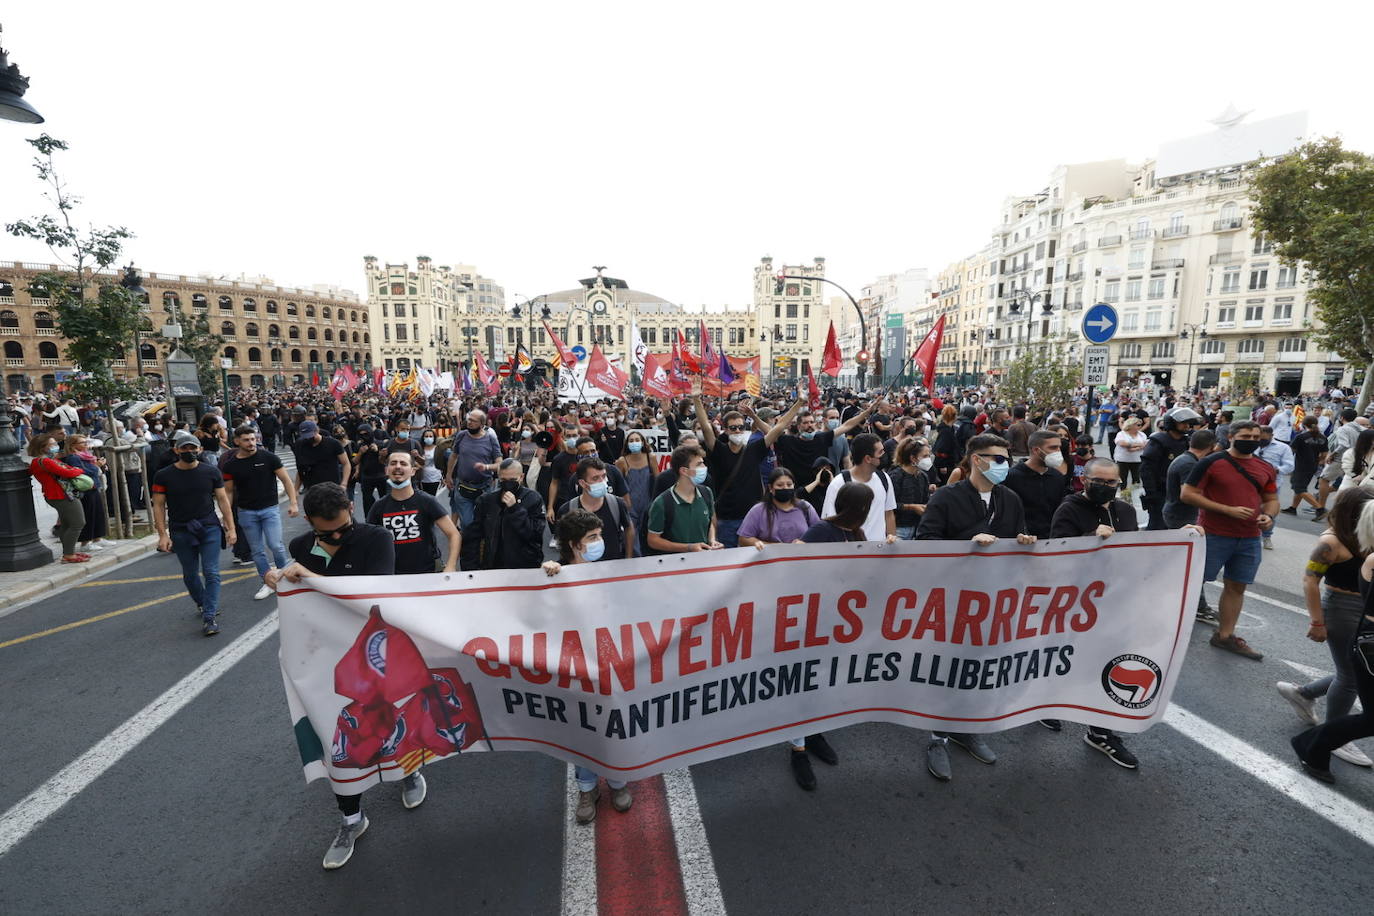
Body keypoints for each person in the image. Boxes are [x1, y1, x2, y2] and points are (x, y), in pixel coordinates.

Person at [264, 482, 422, 869]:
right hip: (326, 660)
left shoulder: (377, 538)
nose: (334, 536)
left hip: (376, 652)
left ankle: (409, 771)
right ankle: (351, 818)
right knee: (335, 733)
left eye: (340, 528)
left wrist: (315, 580)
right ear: (309, 522)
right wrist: (280, 580)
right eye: (324, 532)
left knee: (393, 719)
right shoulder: (302, 548)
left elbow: (375, 590)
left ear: (351, 508)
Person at [917, 433, 1036, 780]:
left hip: (993, 600)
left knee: (977, 667)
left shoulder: (1010, 498)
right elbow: (926, 544)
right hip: (953, 599)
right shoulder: (946, 498)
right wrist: (967, 544)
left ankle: (964, 727)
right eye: (997, 459)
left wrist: (1024, 542)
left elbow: (1017, 536)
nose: (1005, 465)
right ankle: (937, 736)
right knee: (946, 668)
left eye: (1007, 458)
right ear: (975, 459)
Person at [1046, 457, 1148, 768]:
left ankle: (1101, 731)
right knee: (1066, 656)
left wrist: (1183, 536)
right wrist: (1091, 538)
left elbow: (1141, 547)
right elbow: (1058, 551)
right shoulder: (1070, 508)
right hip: (1078, 601)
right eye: (1098, 481)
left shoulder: (1126, 511)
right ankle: (1043, 703)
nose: (1105, 487)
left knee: (1108, 664)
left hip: (1116, 600)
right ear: (1084, 480)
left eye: (1111, 482)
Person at [541, 508, 637, 821]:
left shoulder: (609, 572)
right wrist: (549, 573)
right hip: (576, 667)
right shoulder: (555, 573)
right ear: (573, 545)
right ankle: (586, 787)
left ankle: (618, 781)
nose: (599, 542)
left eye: (599, 536)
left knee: (615, 722)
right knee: (583, 728)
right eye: (592, 538)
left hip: (609, 664)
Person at [783, 481, 874, 790]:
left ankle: (814, 732)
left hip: (838, 624)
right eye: (865, 507)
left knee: (824, 682)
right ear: (855, 508)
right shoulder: (822, 531)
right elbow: (794, 565)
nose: (868, 512)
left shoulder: (857, 534)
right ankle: (798, 749)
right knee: (803, 683)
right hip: (812, 622)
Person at [1278, 487, 1374, 769]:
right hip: (1342, 609)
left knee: (1352, 670)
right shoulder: (1331, 542)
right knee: (1350, 675)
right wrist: (1317, 622)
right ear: (1355, 511)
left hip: (1364, 610)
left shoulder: (1364, 535)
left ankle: (1304, 693)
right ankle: (1336, 735)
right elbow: (1310, 581)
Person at [1181, 420, 1278, 660]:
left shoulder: (1264, 466)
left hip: (1249, 538)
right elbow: (1187, 494)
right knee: (1191, 584)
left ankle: (1225, 636)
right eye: (1247, 436)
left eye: (1257, 437)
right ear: (1231, 436)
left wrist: (1268, 516)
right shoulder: (1211, 462)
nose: (1253, 441)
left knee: (1237, 587)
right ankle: (1167, 631)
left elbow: (1271, 499)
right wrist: (1227, 510)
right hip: (1213, 534)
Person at [151, 430, 238, 637]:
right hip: (181, 530)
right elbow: (158, 505)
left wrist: (231, 527)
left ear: (200, 449)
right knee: (190, 574)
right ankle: (202, 602)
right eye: (184, 448)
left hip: (208, 527)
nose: (189, 451)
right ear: (176, 450)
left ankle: (209, 617)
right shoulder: (163, 475)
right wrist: (163, 534)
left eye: (193, 447)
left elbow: (223, 500)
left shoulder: (211, 471)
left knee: (211, 571)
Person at [695, 395, 792, 548]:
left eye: (741, 427)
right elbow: (706, 427)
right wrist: (696, 398)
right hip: (726, 521)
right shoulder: (719, 450)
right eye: (733, 428)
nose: (738, 430)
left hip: (754, 518)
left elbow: (778, 429)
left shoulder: (754, 449)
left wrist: (799, 403)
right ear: (725, 430)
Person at [221, 425, 299, 600]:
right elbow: (228, 492)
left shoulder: (269, 457)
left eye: (253, 438)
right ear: (237, 442)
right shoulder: (230, 465)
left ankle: (285, 579)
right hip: (246, 512)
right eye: (247, 440)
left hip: (270, 509)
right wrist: (227, 519)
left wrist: (293, 502)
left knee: (276, 545)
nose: (252, 443)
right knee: (257, 551)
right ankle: (268, 581)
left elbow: (286, 480)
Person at [366, 450, 460, 574]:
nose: (398, 466)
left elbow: (454, 534)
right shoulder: (378, 507)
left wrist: (451, 566)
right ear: (386, 470)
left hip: (427, 572)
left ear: (413, 471)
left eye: (403, 463)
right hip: (392, 575)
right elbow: (368, 542)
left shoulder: (427, 501)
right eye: (393, 463)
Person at [470, 459, 546, 570]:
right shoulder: (486, 500)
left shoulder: (533, 499)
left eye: (512, 480)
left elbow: (535, 534)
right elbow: (474, 536)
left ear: (521, 477)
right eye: (503, 480)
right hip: (493, 564)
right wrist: (471, 566)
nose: (508, 483)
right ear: (499, 478)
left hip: (525, 564)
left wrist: (515, 509)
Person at [821, 433, 897, 543]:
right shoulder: (839, 483)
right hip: (851, 551)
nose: (884, 455)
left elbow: (889, 514)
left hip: (879, 550)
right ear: (868, 458)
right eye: (880, 452)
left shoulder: (884, 478)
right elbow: (830, 521)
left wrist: (891, 538)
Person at [27, 432, 89, 563]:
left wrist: (74, 469)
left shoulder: (41, 461)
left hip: (56, 495)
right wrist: (80, 470)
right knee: (78, 523)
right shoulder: (45, 461)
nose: (56, 445)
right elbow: (68, 471)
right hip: (61, 495)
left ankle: (68, 552)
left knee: (67, 524)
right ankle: (68, 554)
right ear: (43, 447)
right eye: (53, 444)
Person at [646, 444, 722, 553]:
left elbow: (709, 524)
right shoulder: (662, 503)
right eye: (699, 464)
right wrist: (688, 548)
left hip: (704, 562)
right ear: (684, 471)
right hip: (677, 566)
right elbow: (653, 540)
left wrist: (712, 540)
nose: (704, 467)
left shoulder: (706, 493)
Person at [557, 456, 634, 560]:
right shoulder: (568, 510)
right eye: (595, 478)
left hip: (614, 565)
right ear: (583, 483)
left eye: (603, 476)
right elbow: (563, 544)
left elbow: (629, 528)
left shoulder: (617, 504)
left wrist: (628, 557)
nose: (602, 482)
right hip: (581, 569)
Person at [1139, 407, 1202, 530]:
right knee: (1158, 527)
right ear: (1172, 423)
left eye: (1188, 423)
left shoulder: (1187, 441)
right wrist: (1152, 494)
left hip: (1180, 492)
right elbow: (1147, 469)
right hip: (1161, 492)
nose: (1187, 425)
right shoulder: (1158, 441)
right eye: (1182, 422)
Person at [1004, 429, 1071, 539]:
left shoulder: (1057, 476)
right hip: (1021, 541)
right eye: (1053, 448)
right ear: (1036, 450)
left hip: (1051, 540)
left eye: (1059, 447)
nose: (1058, 451)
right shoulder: (1011, 477)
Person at [445, 410, 503, 532]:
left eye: (473, 421)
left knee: (483, 521)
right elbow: (454, 456)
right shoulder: (461, 435)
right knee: (467, 523)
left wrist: (486, 467)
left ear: (482, 424)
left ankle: (479, 547)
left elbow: (500, 463)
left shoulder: (491, 439)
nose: (469, 423)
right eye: (469, 419)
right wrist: (449, 475)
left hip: (484, 488)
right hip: (462, 486)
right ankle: (468, 548)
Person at [739, 468, 820, 547]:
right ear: (771, 488)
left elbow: (819, 534)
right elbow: (743, 538)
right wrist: (770, 546)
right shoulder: (758, 510)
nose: (785, 488)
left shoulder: (805, 508)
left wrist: (804, 543)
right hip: (770, 559)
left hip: (801, 557)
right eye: (780, 485)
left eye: (789, 484)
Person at [63, 434, 110, 554]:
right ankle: (85, 543)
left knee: (98, 513)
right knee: (89, 515)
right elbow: (81, 472)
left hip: (94, 486)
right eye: (82, 443)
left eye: (86, 442)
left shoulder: (86, 456)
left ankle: (97, 538)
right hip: (85, 489)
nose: (86, 445)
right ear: (73, 445)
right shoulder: (73, 457)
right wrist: (96, 466)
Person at [615, 429, 656, 554]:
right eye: (631, 440)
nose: (634, 442)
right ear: (627, 444)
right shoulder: (622, 461)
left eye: (637, 440)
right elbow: (618, 485)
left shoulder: (651, 457)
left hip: (647, 502)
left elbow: (658, 479)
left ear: (643, 442)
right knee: (631, 535)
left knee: (647, 533)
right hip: (630, 504)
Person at [1282, 416, 1329, 520]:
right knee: (1301, 487)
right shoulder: (1323, 437)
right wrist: (1318, 461)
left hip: (1301, 465)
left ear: (1304, 425)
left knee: (1298, 488)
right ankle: (1293, 508)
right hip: (1313, 466)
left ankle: (1320, 509)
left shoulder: (1301, 437)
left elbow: (1291, 451)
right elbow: (1324, 454)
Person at [888, 437, 932, 539]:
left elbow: (925, 500)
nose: (928, 459)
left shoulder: (923, 476)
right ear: (913, 458)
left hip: (917, 527)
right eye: (925, 456)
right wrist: (911, 507)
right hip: (898, 528)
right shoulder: (896, 476)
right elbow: (889, 506)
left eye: (929, 456)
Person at [292, 420, 351, 492]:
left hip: (332, 487)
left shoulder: (333, 444)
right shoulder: (300, 445)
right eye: (305, 437)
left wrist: (344, 484)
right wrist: (295, 490)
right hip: (312, 489)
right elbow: (300, 469)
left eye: (311, 435)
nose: (308, 438)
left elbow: (346, 463)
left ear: (317, 430)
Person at [1112, 417, 1148, 500]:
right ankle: (1124, 496)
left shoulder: (1142, 434)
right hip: (1122, 460)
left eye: (1140, 425)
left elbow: (1145, 445)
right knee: (1122, 479)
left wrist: (1132, 447)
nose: (1140, 426)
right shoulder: (1121, 434)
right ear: (1131, 425)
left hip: (1137, 460)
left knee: (1136, 480)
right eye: (1138, 425)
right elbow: (1121, 443)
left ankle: (1133, 494)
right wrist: (1138, 445)